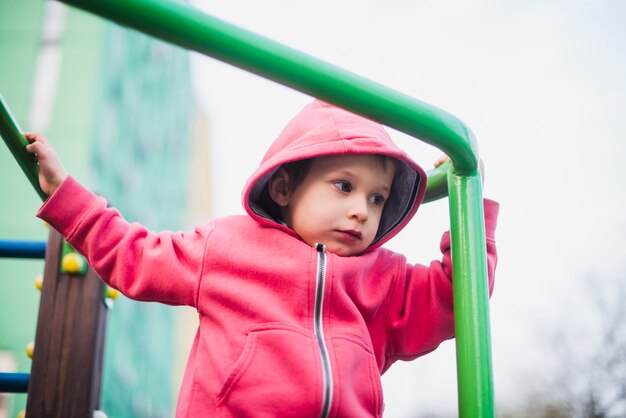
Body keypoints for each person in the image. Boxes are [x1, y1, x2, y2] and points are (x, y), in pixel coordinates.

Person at [26, 100, 498, 418]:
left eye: (378, 199)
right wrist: (69, 199)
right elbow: (136, 257)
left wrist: (468, 212)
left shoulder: (385, 279)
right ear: (284, 188)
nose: (361, 209)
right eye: (344, 186)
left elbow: (459, 302)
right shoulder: (228, 248)